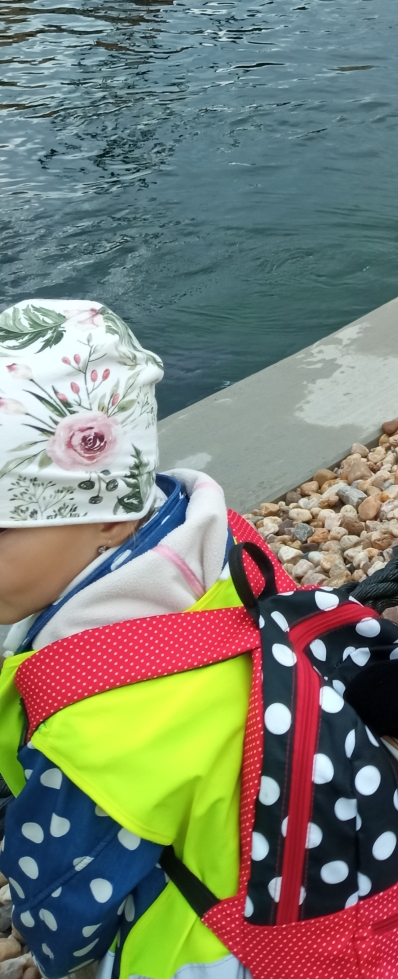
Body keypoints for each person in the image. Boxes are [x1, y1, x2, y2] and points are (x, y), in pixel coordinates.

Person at [0, 299, 252, 978]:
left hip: (213, 952)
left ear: (110, 515)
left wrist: (49, 950)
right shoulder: (225, 553)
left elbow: (63, 901)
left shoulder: (88, 716)